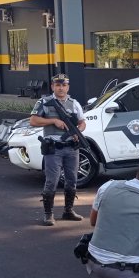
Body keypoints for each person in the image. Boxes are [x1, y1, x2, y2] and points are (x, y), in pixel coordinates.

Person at [29, 74, 87, 226]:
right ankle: (48, 214)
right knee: (52, 181)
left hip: (71, 148)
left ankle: (68, 211)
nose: (61, 88)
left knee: (72, 181)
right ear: (53, 87)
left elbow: (82, 122)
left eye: (64, 85)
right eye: (58, 85)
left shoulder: (74, 103)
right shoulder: (44, 102)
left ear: (68, 87)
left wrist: (77, 132)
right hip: (54, 148)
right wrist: (53, 120)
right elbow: (33, 120)